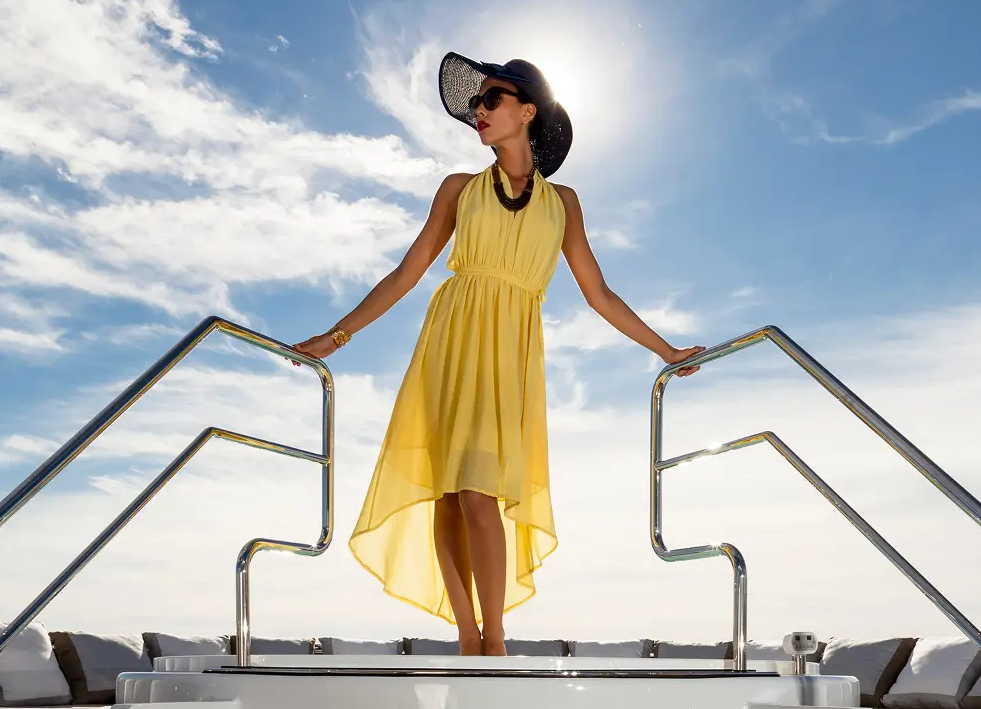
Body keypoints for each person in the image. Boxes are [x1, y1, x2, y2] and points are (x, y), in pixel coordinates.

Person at [293, 52, 702, 656]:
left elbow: (599, 292)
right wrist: (337, 335)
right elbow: (406, 274)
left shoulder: (564, 203)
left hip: (511, 352)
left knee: (480, 493)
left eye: (492, 99)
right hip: (452, 340)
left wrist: (663, 350)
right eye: (475, 102)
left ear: (528, 111)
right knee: (451, 493)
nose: (478, 111)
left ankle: (496, 638)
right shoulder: (458, 189)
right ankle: (469, 636)